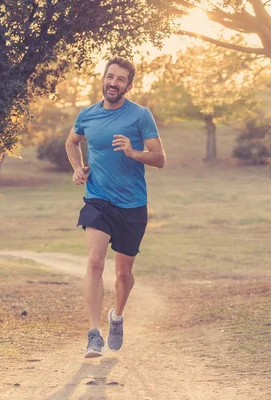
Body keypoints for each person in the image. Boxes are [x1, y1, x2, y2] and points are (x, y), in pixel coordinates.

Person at [65, 57, 166, 358]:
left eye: (120, 79)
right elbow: (71, 143)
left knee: (123, 274)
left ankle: (117, 317)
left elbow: (160, 158)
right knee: (95, 263)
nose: (113, 83)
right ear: (103, 79)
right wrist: (78, 168)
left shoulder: (140, 115)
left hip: (133, 203)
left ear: (128, 86)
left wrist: (134, 153)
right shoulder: (87, 115)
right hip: (97, 198)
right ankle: (93, 334)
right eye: (110, 76)